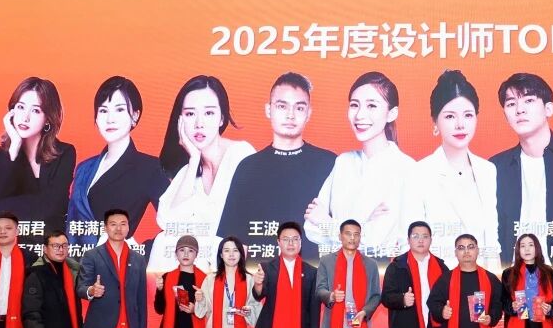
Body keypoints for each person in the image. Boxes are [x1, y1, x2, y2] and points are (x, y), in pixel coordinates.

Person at [219, 73, 336, 260]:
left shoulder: (330, 163)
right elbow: (237, 243)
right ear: (268, 110)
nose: (290, 115)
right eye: (282, 106)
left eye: (299, 108)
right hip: (261, 275)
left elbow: (349, 234)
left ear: (308, 113)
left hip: (318, 275)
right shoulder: (248, 167)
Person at [305, 72, 418, 258]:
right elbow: (310, 227)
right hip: (336, 269)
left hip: (380, 272)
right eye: (354, 105)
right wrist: (363, 226)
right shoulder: (343, 162)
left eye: (372, 105)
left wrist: (326, 222)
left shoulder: (406, 169)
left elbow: (376, 242)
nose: (360, 115)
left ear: (392, 113)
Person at [149, 75, 255, 274]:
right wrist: (194, 159)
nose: (199, 123)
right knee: (162, 242)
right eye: (190, 114)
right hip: (196, 270)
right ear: (180, 120)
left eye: (208, 113)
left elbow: (247, 227)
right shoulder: (189, 170)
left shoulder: (241, 155)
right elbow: (166, 221)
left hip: (229, 267)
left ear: (221, 118)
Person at [67, 76, 169, 256]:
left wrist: (137, 252)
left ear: (135, 115)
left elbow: (175, 224)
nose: (110, 119)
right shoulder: (84, 168)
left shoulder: (149, 168)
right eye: (103, 110)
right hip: (74, 264)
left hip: (114, 267)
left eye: (120, 109)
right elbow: (70, 222)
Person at [0, 77, 76, 253]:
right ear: (11, 112)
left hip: (50, 249)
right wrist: (13, 150)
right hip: (12, 250)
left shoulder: (64, 152)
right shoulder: (2, 156)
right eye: (20, 107)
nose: (25, 117)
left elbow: (52, 204)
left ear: (48, 118)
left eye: (35, 110)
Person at [489, 73, 553, 260]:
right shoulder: (495, 168)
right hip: (510, 274)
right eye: (511, 104)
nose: (519, 110)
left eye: (529, 100)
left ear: (548, 109)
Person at [415, 71, 502, 269]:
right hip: (439, 280)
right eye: (450, 116)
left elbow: (492, 242)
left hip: (482, 280)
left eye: (468, 115)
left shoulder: (487, 170)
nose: (461, 124)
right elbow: (414, 245)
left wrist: (495, 282)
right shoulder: (419, 172)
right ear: (435, 122)